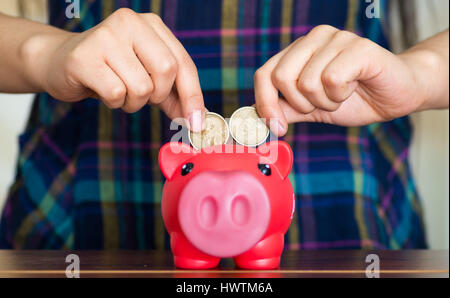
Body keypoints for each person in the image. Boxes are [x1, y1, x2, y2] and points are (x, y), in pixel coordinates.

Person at [0, 0, 448, 250]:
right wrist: (45, 52)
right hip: (83, 217)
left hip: (349, 217)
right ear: (171, 160)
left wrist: (421, 73)